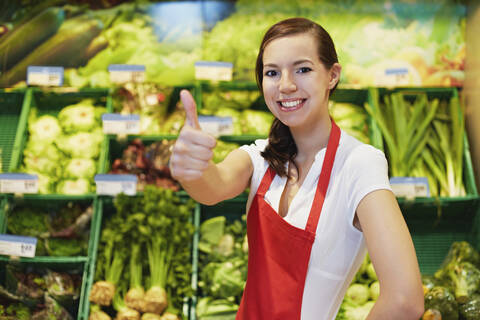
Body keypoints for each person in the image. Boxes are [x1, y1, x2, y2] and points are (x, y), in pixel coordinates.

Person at [169, 17, 424, 320]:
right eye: (272, 72)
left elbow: (405, 300)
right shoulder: (261, 157)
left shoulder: (359, 164)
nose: (286, 85)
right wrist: (191, 169)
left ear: (332, 75)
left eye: (303, 69)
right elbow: (211, 187)